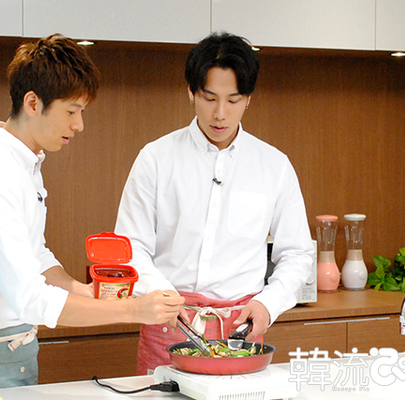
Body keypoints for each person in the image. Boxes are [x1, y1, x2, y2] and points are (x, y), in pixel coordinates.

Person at [0, 34, 184, 389]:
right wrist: (131, 311)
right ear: (33, 103)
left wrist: (83, 291)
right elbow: (30, 296)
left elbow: (35, 255)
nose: (79, 125)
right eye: (72, 111)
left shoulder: (25, 165)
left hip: (13, 347)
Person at [114, 32, 315, 374]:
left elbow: (297, 253)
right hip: (169, 322)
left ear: (249, 99)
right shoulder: (156, 158)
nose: (220, 114)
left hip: (240, 329)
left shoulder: (274, 165)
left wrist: (268, 304)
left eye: (233, 100)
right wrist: (160, 293)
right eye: (209, 98)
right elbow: (129, 246)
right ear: (191, 92)